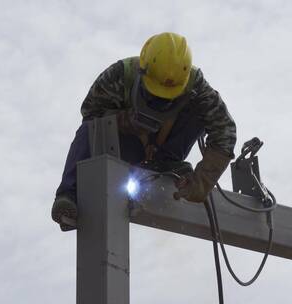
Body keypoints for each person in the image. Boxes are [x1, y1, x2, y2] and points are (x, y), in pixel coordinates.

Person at [51, 32, 237, 231]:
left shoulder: (198, 89)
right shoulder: (120, 76)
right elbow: (90, 113)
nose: (162, 101)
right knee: (91, 128)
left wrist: (201, 182)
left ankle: (167, 163)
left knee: (201, 114)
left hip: (165, 150)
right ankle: (69, 194)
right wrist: (126, 121)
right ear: (143, 71)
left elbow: (224, 130)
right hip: (122, 146)